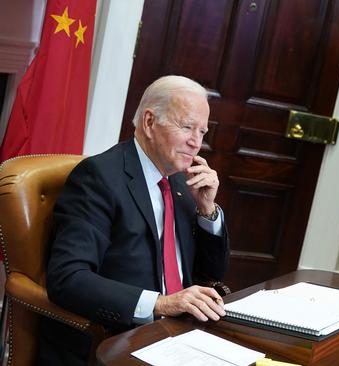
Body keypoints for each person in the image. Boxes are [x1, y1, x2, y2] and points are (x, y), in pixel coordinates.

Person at [38, 75, 230, 365]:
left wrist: (207, 211)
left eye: (202, 132)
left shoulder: (180, 182)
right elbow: (68, 278)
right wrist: (162, 303)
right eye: (187, 127)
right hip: (120, 340)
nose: (196, 143)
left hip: (180, 335)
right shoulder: (99, 177)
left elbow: (212, 273)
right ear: (150, 122)